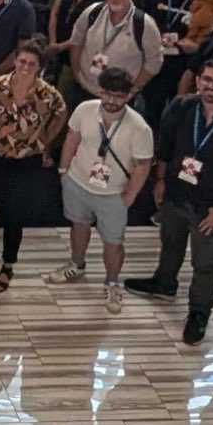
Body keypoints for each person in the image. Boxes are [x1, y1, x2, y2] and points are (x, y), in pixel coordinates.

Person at [124, 59, 213, 343]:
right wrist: (160, 181)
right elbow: (165, 147)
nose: (210, 85)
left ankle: (199, 314)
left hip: (211, 208)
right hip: (175, 195)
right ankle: (164, 283)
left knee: (205, 263)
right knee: (170, 243)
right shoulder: (182, 106)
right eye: (206, 79)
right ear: (198, 81)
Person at [41, 66, 154, 314]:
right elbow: (72, 138)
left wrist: (129, 196)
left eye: (119, 96)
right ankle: (77, 264)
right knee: (78, 225)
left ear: (129, 96)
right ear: (100, 91)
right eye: (108, 94)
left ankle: (112, 282)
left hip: (113, 193)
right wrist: (63, 170)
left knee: (113, 242)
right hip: (78, 181)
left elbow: (143, 166)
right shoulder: (85, 109)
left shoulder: (140, 127)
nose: (112, 101)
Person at [0, 38, 67, 292]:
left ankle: (8, 264)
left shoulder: (48, 94)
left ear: (39, 67)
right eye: (22, 61)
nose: (25, 67)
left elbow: (61, 114)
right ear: (15, 61)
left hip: (27, 159)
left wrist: (46, 141)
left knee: (15, 213)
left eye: (31, 64)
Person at [68, 0, 163, 102]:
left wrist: (132, 89)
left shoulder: (144, 24)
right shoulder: (93, 12)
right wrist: (77, 73)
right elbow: (76, 41)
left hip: (119, 97)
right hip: (84, 89)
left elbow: (154, 62)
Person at [140, 0, 202, 124]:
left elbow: (210, 36)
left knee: (181, 117)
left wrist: (198, 47)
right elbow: (141, 27)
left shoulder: (204, 1)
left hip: (186, 69)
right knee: (151, 113)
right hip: (156, 65)